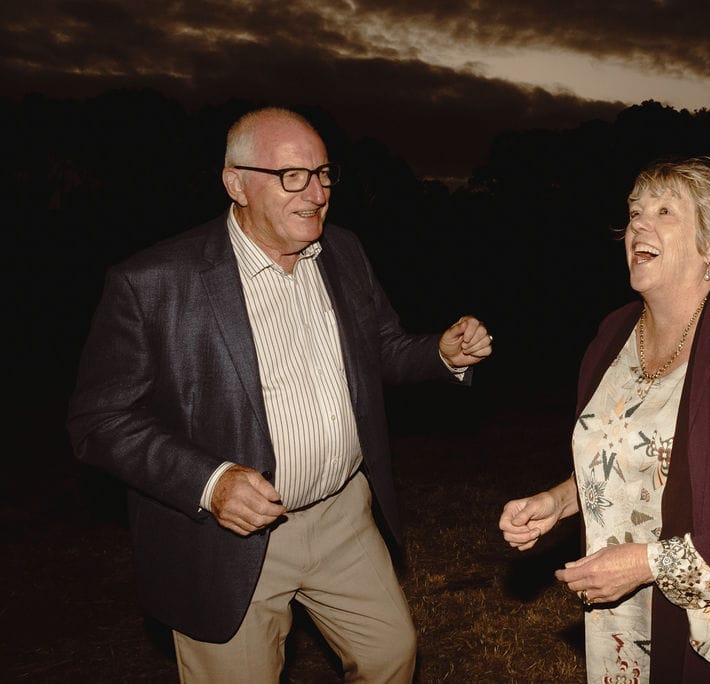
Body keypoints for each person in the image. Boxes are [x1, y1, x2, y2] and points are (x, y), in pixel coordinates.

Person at [67, 107, 493, 682]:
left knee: (390, 655)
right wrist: (211, 483)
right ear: (236, 183)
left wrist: (441, 353)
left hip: (342, 515)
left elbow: (380, 348)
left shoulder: (343, 252)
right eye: (292, 176)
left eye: (322, 174)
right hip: (227, 540)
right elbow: (100, 420)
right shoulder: (154, 282)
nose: (316, 194)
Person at [500, 159, 710, 682]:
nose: (639, 225)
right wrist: (558, 502)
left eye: (664, 211)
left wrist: (646, 564)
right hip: (622, 613)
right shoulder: (613, 334)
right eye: (634, 213)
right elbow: (635, 457)